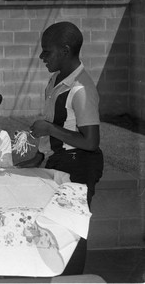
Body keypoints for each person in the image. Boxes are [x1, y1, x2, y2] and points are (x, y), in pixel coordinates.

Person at [30, 21, 104, 276]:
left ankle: (73, 280)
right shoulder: (55, 81)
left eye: (46, 51)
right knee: (57, 227)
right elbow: (56, 123)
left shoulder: (81, 88)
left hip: (79, 164)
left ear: (64, 50)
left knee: (73, 229)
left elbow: (90, 141)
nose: (41, 57)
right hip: (61, 161)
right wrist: (40, 154)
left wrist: (49, 130)